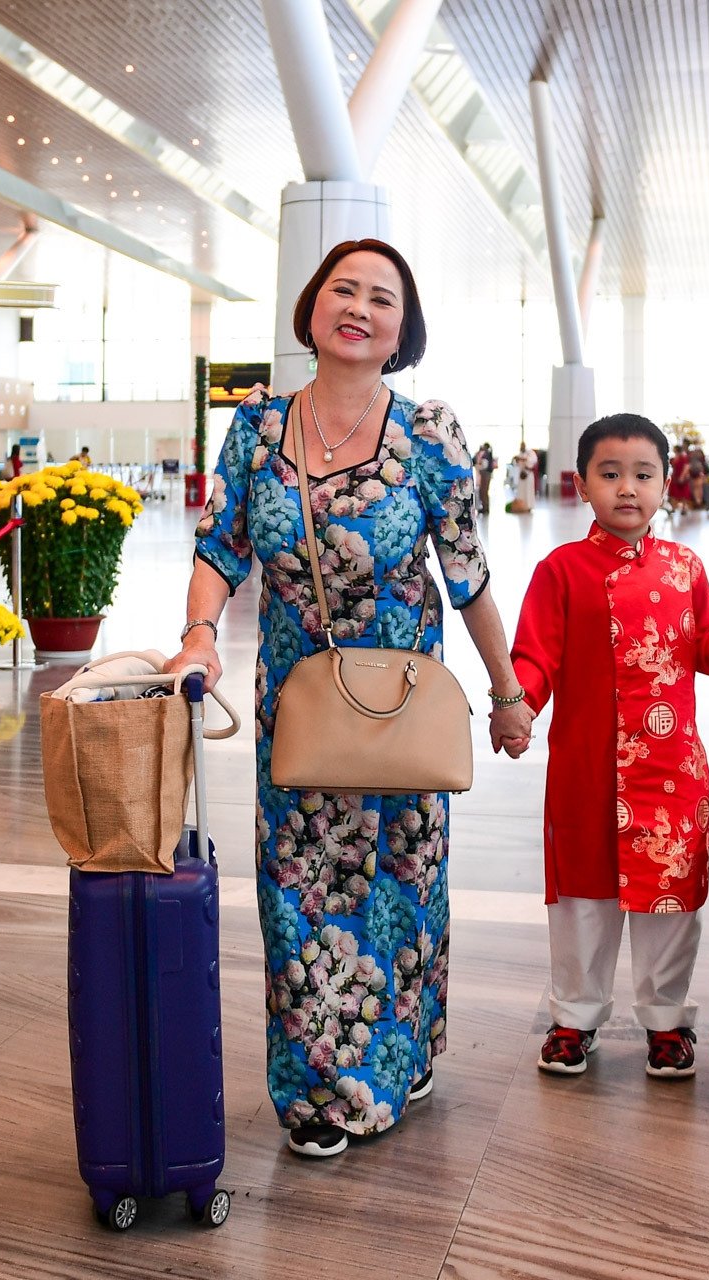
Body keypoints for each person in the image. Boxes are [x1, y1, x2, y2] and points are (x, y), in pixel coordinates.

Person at [169, 238, 530, 1159]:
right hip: (301, 700)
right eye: (343, 289)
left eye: (382, 297)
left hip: (403, 699)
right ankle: (323, 1093)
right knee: (299, 896)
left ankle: (401, 1053)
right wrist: (201, 631)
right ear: (312, 307)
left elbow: (468, 574)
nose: (359, 307)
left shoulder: (429, 433)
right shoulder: (256, 427)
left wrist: (507, 691)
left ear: (402, 328)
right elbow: (220, 548)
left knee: (400, 894)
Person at [502, 414, 709, 1081]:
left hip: (669, 772)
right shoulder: (560, 571)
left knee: (670, 904)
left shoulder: (685, 568)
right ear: (581, 484)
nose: (628, 488)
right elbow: (534, 655)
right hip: (586, 768)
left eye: (643, 474)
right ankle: (574, 1018)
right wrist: (518, 707)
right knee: (583, 902)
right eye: (610, 474)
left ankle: (665, 1024)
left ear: (665, 484)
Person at [508, 444, 537, 513]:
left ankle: (529, 506)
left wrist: (524, 460)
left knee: (528, 491)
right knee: (521, 491)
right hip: (521, 474)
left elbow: (532, 461)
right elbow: (518, 463)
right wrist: (518, 460)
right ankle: (522, 505)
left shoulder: (530, 453)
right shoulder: (520, 454)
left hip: (528, 474)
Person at [475, 441, 496, 515]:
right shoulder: (488, 454)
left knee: (483, 491)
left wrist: (478, 466)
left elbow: (484, 465)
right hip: (486, 474)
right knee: (484, 491)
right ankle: (485, 507)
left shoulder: (485, 455)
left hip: (485, 475)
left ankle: (485, 507)